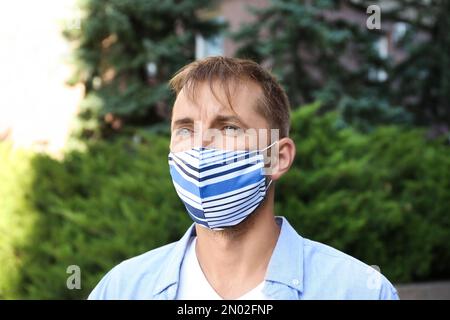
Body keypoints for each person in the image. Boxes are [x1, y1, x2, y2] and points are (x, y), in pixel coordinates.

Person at [88, 56, 399, 300]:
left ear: (277, 158)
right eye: (185, 129)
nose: (200, 145)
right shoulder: (121, 290)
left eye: (229, 128)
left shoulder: (359, 292)